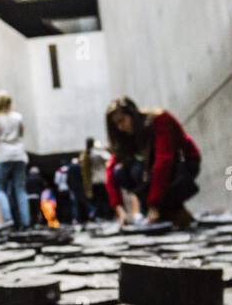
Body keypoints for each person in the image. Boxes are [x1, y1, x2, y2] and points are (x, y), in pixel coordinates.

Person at [104, 97, 201, 229]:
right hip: (156, 171)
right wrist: (119, 209)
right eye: (116, 124)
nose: (120, 127)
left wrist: (153, 203)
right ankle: (172, 214)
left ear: (132, 114)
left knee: (141, 173)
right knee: (121, 172)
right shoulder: (126, 137)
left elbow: (164, 161)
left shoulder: (159, 120)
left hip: (184, 164)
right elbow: (111, 171)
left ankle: (168, 212)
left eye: (122, 121)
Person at [0, 91, 30, 229]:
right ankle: (25, 221)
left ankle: (7, 218)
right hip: (19, 154)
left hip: (4, 155)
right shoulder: (18, 117)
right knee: (20, 189)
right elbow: (21, 133)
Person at [79, 137, 110, 220]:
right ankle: (106, 215)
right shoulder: (98, 153)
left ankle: (99, 216)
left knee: (97, 200)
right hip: (102, 179)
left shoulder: (85, 154)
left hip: (93, 180)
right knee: (104, 199)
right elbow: (108, 157)